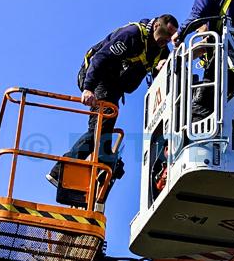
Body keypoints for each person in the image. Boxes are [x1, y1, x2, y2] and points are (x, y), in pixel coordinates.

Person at [47, 15, 178, 200]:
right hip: (98, 79)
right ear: (156, 25)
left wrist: (161, 67)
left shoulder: (160, 49)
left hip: (114, 87)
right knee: (101, 126)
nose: (165, 41)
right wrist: (88, 88)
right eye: (164, 35)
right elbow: (101, 58)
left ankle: (71, 170)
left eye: (168, 39)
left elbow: (157, 75)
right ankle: (94, 166)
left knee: (100, 130)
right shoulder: (132, 35)